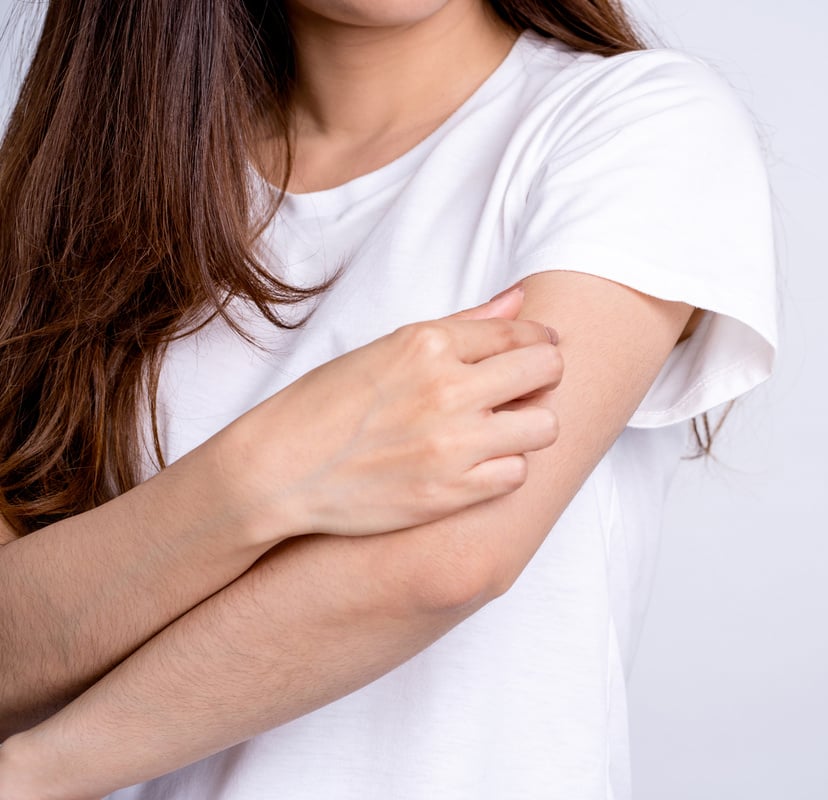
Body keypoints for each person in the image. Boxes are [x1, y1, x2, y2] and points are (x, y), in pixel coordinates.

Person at [0, 0, 777, 797]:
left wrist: (35, 772)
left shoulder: (632, 124)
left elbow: (449, 559)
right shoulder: (93, 196)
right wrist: (263, 471)